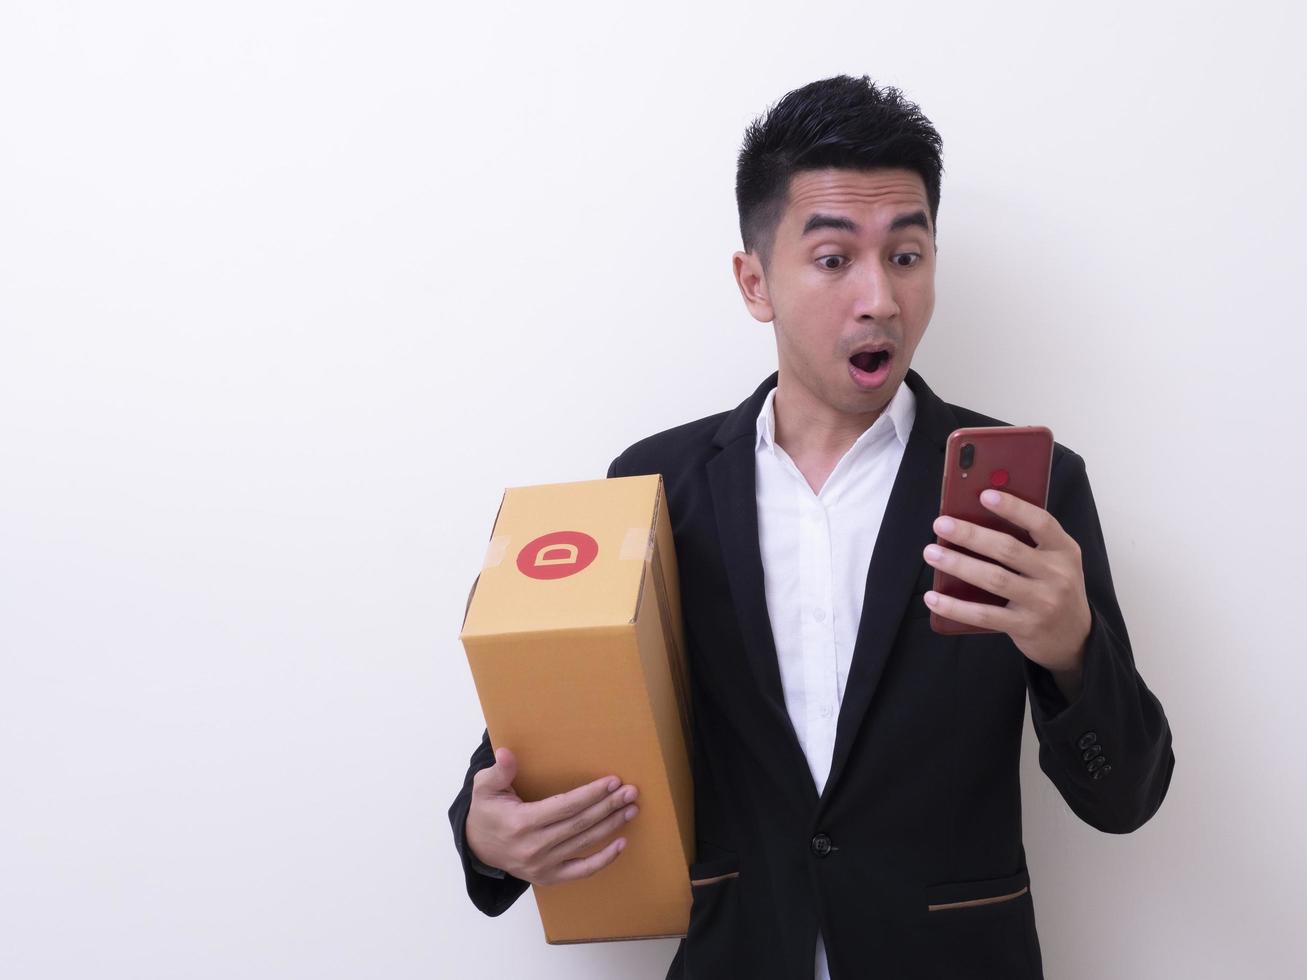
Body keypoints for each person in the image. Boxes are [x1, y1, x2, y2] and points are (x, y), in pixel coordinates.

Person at [448, 74, 1175, 980]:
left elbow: (1127, 796)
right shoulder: (656, 486)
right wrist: (486, 836)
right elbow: (543, 733)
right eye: (833, 260)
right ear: (755, 282)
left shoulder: (1029, 494)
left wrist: (1071, 650)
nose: (879, 298)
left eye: (906, 257)